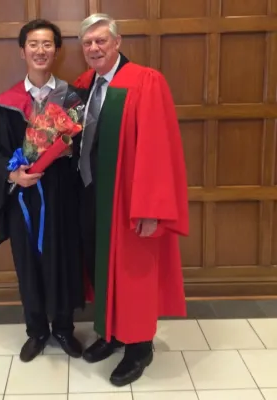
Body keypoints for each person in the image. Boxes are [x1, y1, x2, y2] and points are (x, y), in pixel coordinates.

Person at [72, 14, 189, 386]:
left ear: (117, 42)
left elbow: (157, 148)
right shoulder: (84, 84)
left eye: (101, 41)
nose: (94, 48)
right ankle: (112, 334)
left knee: (133, 272)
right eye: (88, 43)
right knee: (101, 266)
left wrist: (151, 209)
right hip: (91, 195)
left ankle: (139, 348)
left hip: (128, 200)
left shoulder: (145, 81)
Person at [0, 19, 86, 363]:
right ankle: (37, 331)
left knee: (63, 258)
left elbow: (85, 145)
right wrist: (14, 173)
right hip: (23, 197)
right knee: (27, 263)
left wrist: (68, 149)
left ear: (56, 51)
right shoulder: (6, 103)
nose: (40, 50)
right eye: (33, 44)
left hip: (62, 193)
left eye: (47, 44)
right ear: (22, 51)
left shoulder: (72, 99)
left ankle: (64, 328)